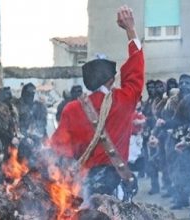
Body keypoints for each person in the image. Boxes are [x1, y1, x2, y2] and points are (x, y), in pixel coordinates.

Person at [49, 5, 144, 197]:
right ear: (110, 79)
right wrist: (130, 30)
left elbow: (59, 151)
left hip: (85, 188)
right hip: (115, 183)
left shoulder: (71, 109)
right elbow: (136, 66)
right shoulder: (124, 100)